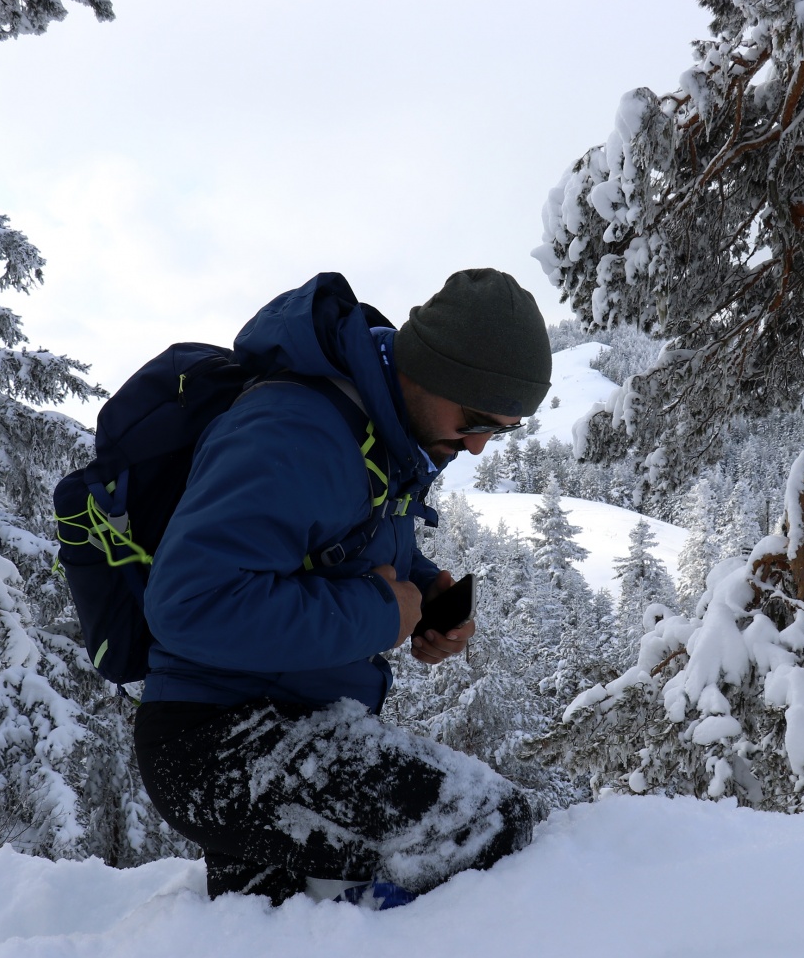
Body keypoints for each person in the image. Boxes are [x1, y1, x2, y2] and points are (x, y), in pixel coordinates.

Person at [132, 268, 553, 903]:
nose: (477, 446)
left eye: (501, 429)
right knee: (493, 829)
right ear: (426, 370)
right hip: (220, 741)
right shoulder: (295, 432)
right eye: (474, 418)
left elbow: (335, 543)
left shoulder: (379, 435)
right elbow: (189, 604)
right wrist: (381, 615)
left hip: (276, 729)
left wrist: (422, 591)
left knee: (280, 934)